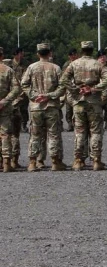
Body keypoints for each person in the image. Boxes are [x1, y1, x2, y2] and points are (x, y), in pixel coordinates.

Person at [59, 41, 107, 171]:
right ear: (92, 50)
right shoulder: (97, 64)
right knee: (95, 132)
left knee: (80, 132)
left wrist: (76, 89)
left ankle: (78, 161)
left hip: (79, 102)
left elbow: (63, 79)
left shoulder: (74, 64)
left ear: (81, 50)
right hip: (94, 102)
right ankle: (96, 161)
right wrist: (93, 89)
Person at [20, 43, 67, 171]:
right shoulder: (56, 68)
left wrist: (34, 96)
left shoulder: (31, 67)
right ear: (50, 53)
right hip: (51, 106)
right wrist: (49, 96)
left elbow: (24, 84)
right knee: (53, 134)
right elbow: (63, 87)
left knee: (35, 135)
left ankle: (32, 162)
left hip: (36, 106)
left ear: (38, 54)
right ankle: (55, 162)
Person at [0, 49, 22, 172]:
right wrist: (4, 101)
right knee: (5, 134)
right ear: (2, 56)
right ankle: (7, 163)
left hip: (4, 106)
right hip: (5, 107)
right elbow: (16, 89)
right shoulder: (8, 70)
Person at [62, 49, 79, 132]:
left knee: (78, 106)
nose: (73, 56)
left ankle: (77, 123)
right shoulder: (66, 64)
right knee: (68, 108)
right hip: (69, 88)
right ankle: (70, 124)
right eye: (71, 55)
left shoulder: (79, 63)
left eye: (74, 54)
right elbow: (64, 77)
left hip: (78, 87)